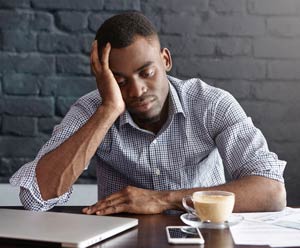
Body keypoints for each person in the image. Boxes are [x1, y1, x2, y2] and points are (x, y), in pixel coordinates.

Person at [10, 11, 286, 215]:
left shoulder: (210, 104)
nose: (137, 90)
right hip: (119, 238)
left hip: (204, 237)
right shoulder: (93, 110)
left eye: (146, 72)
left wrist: (164, 199)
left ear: (165, 60)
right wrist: (109, 110)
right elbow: (35, 198)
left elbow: (272, 193)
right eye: (120, 80)